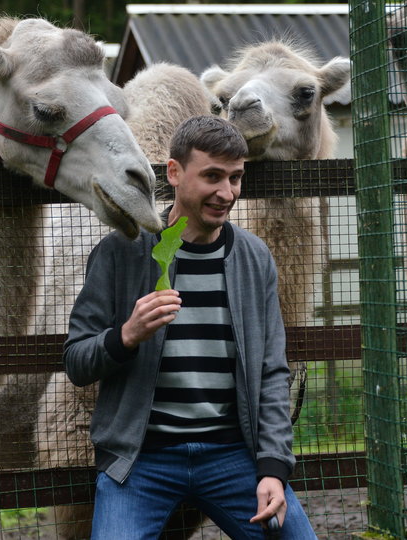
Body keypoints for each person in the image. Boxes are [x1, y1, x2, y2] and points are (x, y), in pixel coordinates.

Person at [63, 115, 317, 539]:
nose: (226, 193)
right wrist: (125, 337)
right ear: (175, 172)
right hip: (140, 461)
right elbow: (76, 361)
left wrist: (273, 469)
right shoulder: (121, 253)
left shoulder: (254, 258)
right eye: (212, 176)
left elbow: (273, 373)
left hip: (232, 457)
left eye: (235, 178)